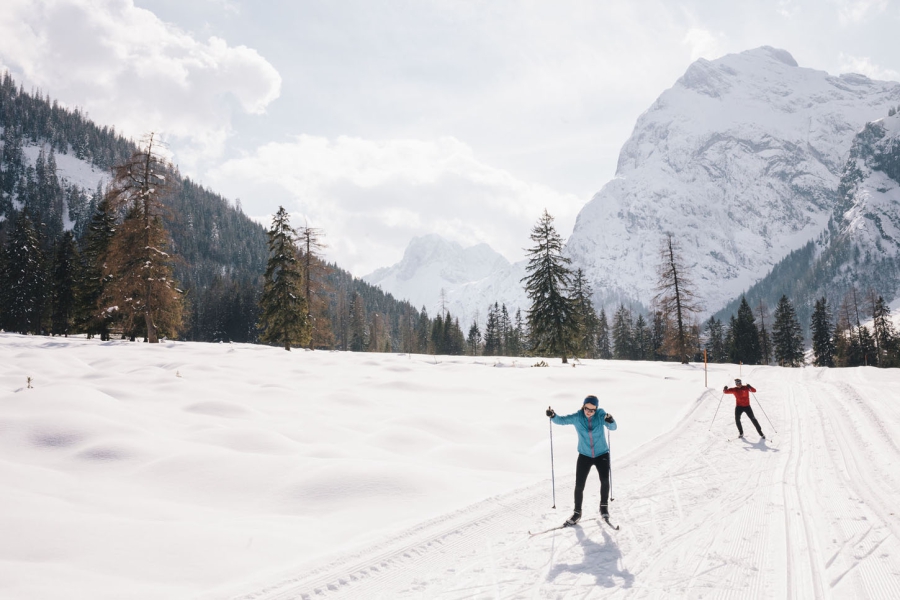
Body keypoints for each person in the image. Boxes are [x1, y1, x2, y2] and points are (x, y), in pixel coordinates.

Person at [545, 395, 617, 526]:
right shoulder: (578, 417)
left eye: (592, 410)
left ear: (596, 409)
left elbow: (613, 428)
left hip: (602, 454)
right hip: (585, 455)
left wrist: (611, 420)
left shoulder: (601, 415)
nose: (589, 412)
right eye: (587, 408)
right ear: (583, 406)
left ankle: (604, 508)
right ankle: (577, 513)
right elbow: (561, 420)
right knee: (579, 485)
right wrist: (553, 415)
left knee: (605, 481)